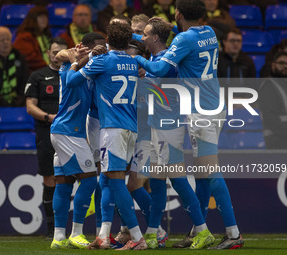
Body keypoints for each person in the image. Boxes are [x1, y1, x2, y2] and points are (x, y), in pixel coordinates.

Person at [134, 0, 244, 250]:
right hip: (216, 106)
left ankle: (233, 233)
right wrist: (131, 35)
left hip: (200, 112)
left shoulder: (183, 40)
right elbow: (173, 32)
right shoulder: (209, 32)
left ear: (178, 13)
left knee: (211, 172)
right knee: (203, 176)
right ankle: (199, 230)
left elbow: (160, 68)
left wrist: (134, 59)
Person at [66, 22, 147, 250]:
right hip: (131, 127)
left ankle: (138, 237)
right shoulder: (132, 63)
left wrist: (78, 60)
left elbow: (71, 82)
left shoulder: (101, 61)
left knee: (115, 180)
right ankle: (103, 235)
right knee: (106, 180)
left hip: (112, 128)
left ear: (108, 40)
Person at [50, 33, 106, 250]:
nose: (101, 53)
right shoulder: (70, 66)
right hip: (68, 132)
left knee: (63, 183)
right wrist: (85, 56)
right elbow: (64, 60)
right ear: (85, 49)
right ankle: (76, 233)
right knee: (91, 179)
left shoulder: (87, 69)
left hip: (66, 131)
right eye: (97, 49)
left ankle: (58, 237)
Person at [25, 37, 68, 240]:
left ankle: (75, 227)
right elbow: (30, 106)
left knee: (80, 179)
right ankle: (52, 229)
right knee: (49, 179)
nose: (57, 55)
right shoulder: (38, 76)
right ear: (48, 54)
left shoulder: (74, 73)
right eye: (54, 52)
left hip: (72, 133)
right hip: (46, 133)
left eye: (61, 52)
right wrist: (48, 117)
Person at [259, 52, 287, 149]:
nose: (285, 66)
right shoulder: (269, 86)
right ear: (273, 65)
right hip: (277, 140)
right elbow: (271, 119)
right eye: (281, 63)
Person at [13, 6, 52, 73]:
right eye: (40, 17)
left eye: (45, 17)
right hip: (32, 76)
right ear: (32, 19)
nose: (44, 19)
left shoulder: (45, 36)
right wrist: (50, 69)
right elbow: (31, 60)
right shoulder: (24, 37)